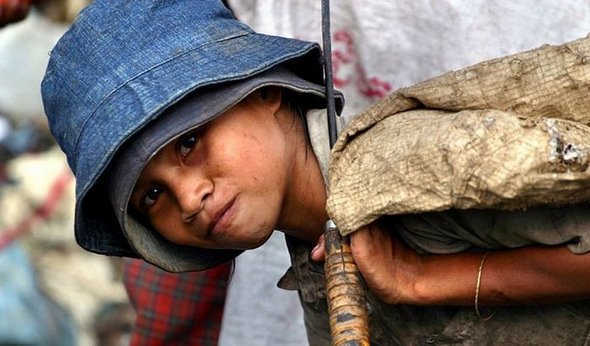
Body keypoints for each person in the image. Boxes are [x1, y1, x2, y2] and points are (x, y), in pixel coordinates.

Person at [41, 0, 590, 345]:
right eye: (152, 195)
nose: (189, 198)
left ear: (268, 91)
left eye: (189, 142)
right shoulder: (316, 260)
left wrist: (420, 281)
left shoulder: (403, 167)